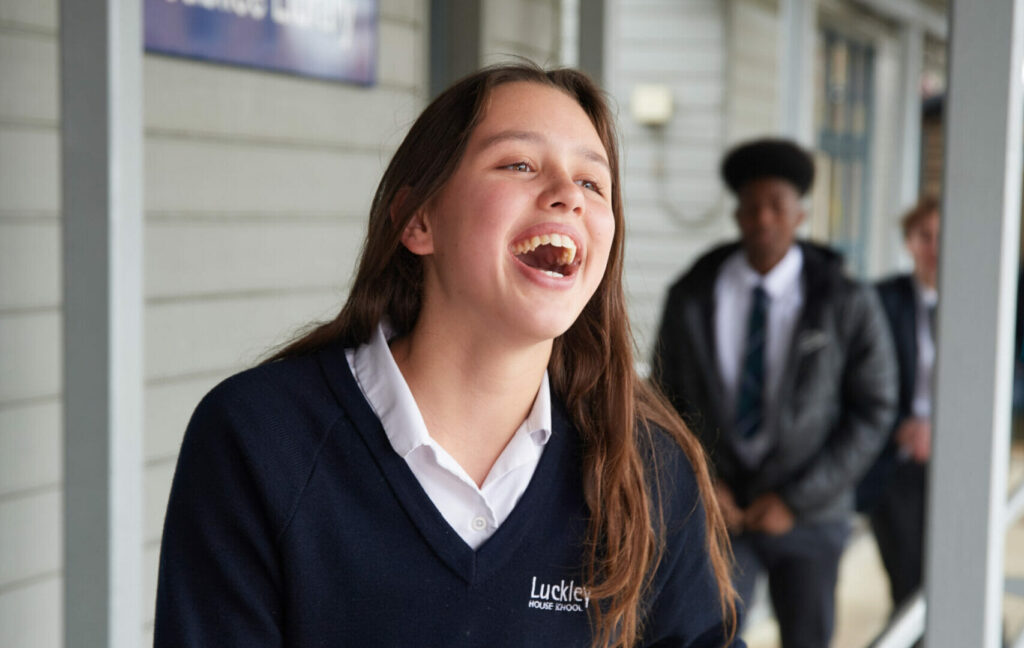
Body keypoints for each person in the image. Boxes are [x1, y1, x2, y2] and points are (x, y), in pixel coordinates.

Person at [153, 64, 742, 648]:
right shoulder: (259, 437)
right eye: (520, 164)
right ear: (418, 219)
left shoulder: (647, 466)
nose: (568, 196)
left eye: (593, 183)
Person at [652, 138, 897, 648]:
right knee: (708, 634)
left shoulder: (845, 300)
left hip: (810, 514)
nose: (763, 219)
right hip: (717, 513)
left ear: (800, 214)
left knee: (808, 638)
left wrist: (796, 499)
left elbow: (874, 409)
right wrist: (701, 481)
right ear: (737, 214)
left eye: (777, 206)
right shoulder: (693, 294)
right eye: (752, 207)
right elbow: (664, 399)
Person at [858, 196, 940, 612]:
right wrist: (900, 427)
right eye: (925, 237)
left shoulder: (987, 304)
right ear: (909, 242)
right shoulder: (880, 300)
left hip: (955, 460)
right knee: (908, 580)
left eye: (943, 237)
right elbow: (858, 382)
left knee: (955, 565)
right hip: (897, 459)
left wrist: (939, 427)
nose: (936, 249)